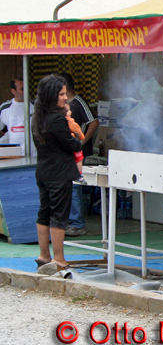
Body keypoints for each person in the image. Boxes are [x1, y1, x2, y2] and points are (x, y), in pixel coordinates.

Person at [31, 74, 82, 271]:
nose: (65, 97)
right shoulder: (56, 120)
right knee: (59, 214)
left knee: (45, 212)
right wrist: (76, 134)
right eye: (61, 94)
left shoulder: (38, 116)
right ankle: (59, 259)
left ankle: (44, 255)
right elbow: (72, 144)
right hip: (59, 172)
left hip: (43, 170)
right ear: (52, 95)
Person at [60, 73, 98, 236]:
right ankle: (69, 221)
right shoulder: (63, 104)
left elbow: (94, 122)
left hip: (77, 153)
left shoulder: (78, 102)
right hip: (65, 152)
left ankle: (77, 223)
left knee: (74, 186)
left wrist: (82, 142)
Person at [0, 78, 35, 156]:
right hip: (14, 155)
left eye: (27, 88)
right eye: (22, 89)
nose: (25, 91)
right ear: (13, 91)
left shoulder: (36, 106)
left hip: (34, 155)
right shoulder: (5, 108)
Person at [63, 102, 86, 184]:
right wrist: (82, 138)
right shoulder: (71, 123)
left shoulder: (58, 122)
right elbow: (80, 134)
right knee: (79, 158)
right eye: (68, 110)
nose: (70, 112)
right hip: (73, 144)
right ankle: (79, 175)